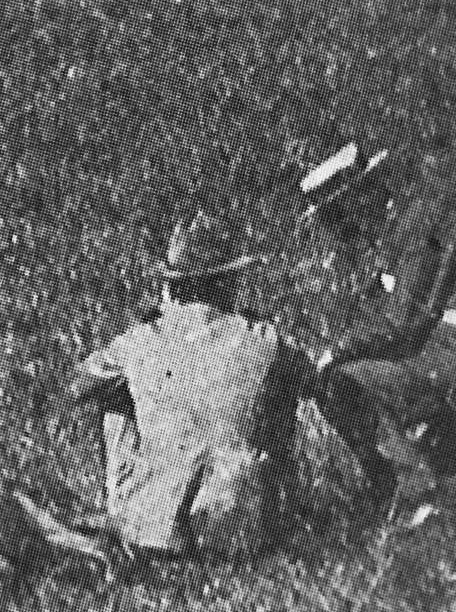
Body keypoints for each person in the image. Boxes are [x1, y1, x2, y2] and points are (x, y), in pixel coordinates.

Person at [69, 213, 314, 560]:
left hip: (153, 530)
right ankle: (284, 499)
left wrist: (145, 360)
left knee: (113, 395)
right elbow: (314, 379)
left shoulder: (141, 341)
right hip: (249, 526)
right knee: (280, 382)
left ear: (173, 286)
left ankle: (135, 514)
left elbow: (78, 387)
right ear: (227, 283)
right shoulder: (264, 336)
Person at [303, 142, 456, 523]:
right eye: (331, 219)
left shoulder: (416, 229)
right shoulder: (397, 229)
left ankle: (414, 489)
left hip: (443, 344)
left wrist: (337, 352)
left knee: (339, 382)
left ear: (364, 195)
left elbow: (407, 328)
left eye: (339, 214)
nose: (339, 229)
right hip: (438, 344)